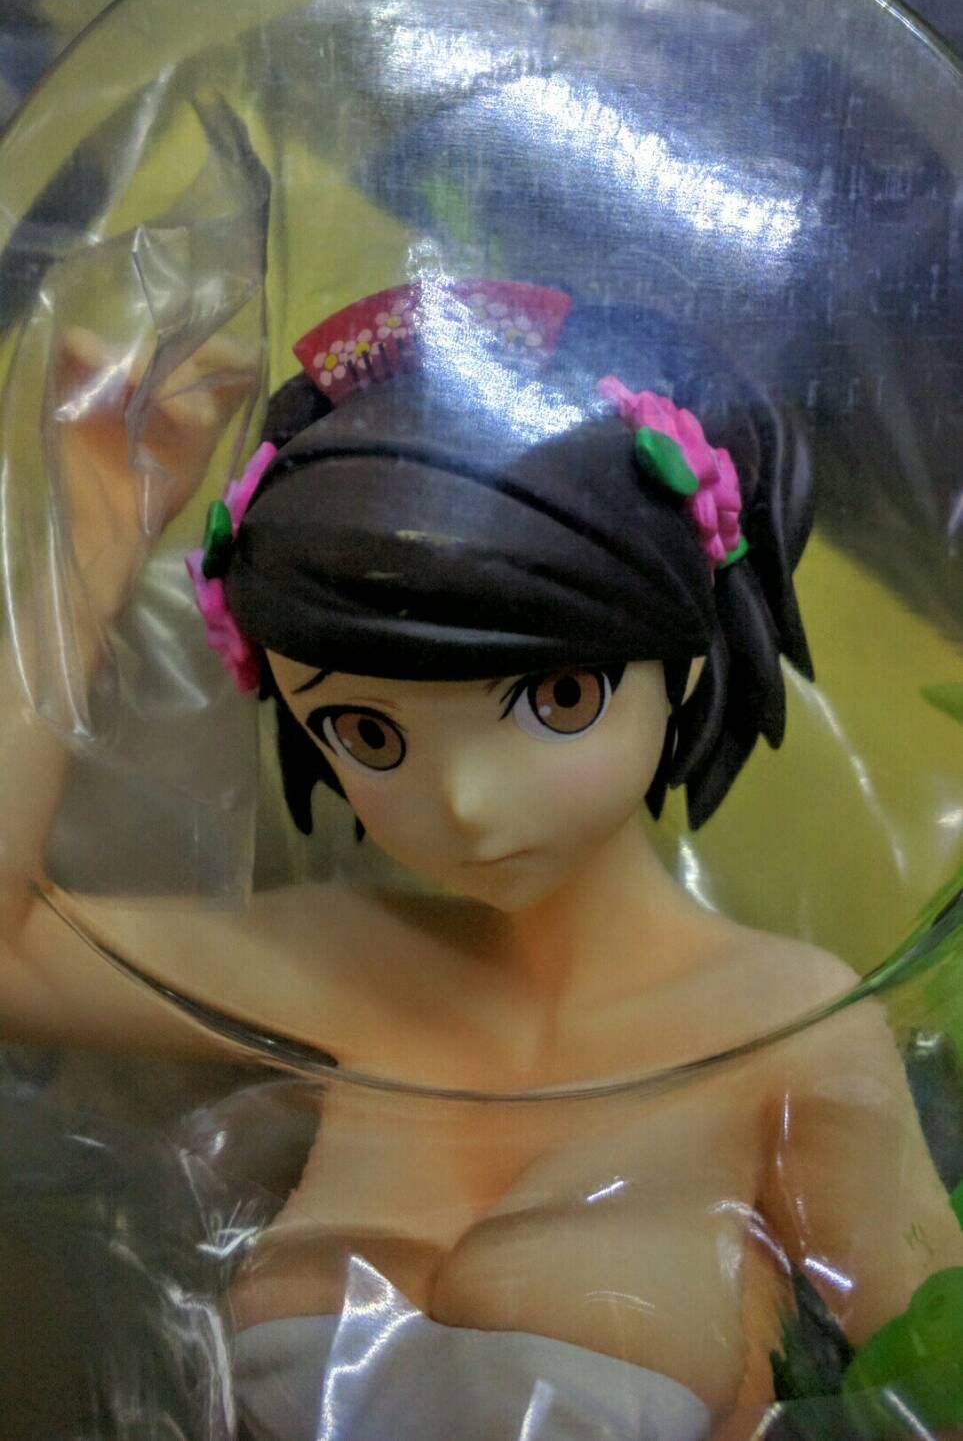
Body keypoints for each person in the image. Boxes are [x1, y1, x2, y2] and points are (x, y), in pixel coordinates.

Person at [1, 280, 959, 1439]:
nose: (463, 798)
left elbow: (932, 1382)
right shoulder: (351, 961)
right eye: (368, 732)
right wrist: (95, 532)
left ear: (684, 655)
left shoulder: (790, 1026)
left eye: (559, 697)